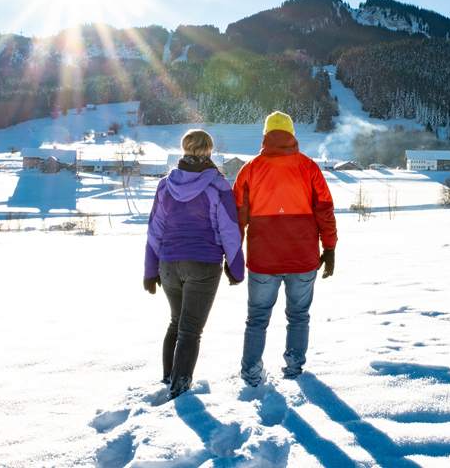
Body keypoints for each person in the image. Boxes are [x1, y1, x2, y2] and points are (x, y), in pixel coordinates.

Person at [234, 111, 337, 385]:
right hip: (302, 259)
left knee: (257, 318)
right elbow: (325, 210)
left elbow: (238, 218)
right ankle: (294, 369)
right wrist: (329, 248)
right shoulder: (309, 167)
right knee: (299, 316)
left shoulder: (249, 169)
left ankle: (251, 373)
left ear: (265, 135)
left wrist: (233, 256)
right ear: (292, 134)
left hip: (262, 260)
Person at [143, 129, 244, 400]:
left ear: (185, 148)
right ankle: (179, 390)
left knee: (176, 322)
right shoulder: (218, 185)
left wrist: (150, 271)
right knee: (190, 331)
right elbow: (229, 230)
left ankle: (169, 379)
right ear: (209, 150)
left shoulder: (165, 185)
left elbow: (154, 230)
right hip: (203, 263)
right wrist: (236, 268)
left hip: (168, 263)